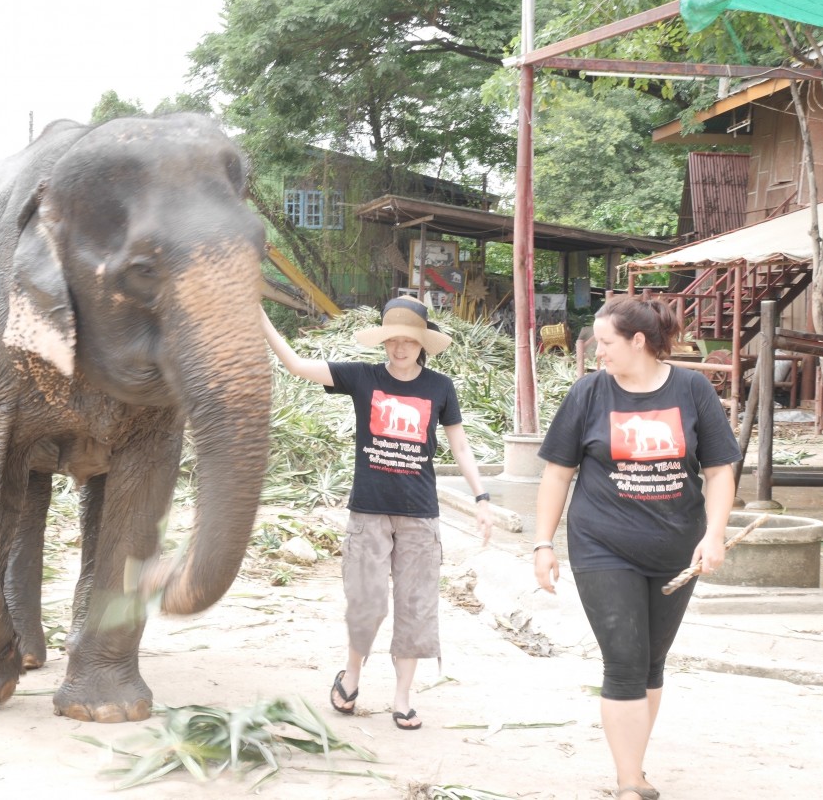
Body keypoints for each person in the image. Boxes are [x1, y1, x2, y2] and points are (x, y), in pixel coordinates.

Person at [532, 296, 740, 800]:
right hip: (602, 542)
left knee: (650, 661)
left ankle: (636, 765)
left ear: (638, 341)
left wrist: (714, 533)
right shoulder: (589, 393)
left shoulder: (691, 389)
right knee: (624, 657)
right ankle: (628, 782)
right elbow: (558, 473)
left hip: (674, 543)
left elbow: (717, 470)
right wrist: (543, 542)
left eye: (605, 342)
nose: (597, 351)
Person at [260, 296, 493, 731]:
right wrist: (259, 317)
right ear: (383, 343)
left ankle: (402, 698)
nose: (400, 349)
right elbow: (295, 364)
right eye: (392, 340)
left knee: (416, 606)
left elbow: (460, 444)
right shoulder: (362, 377)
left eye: (408, 341)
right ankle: (352, 677)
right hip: (368, 512)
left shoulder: (440, 387)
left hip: (419, 515)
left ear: (422, 343)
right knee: (365, 602)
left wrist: (481, 499)